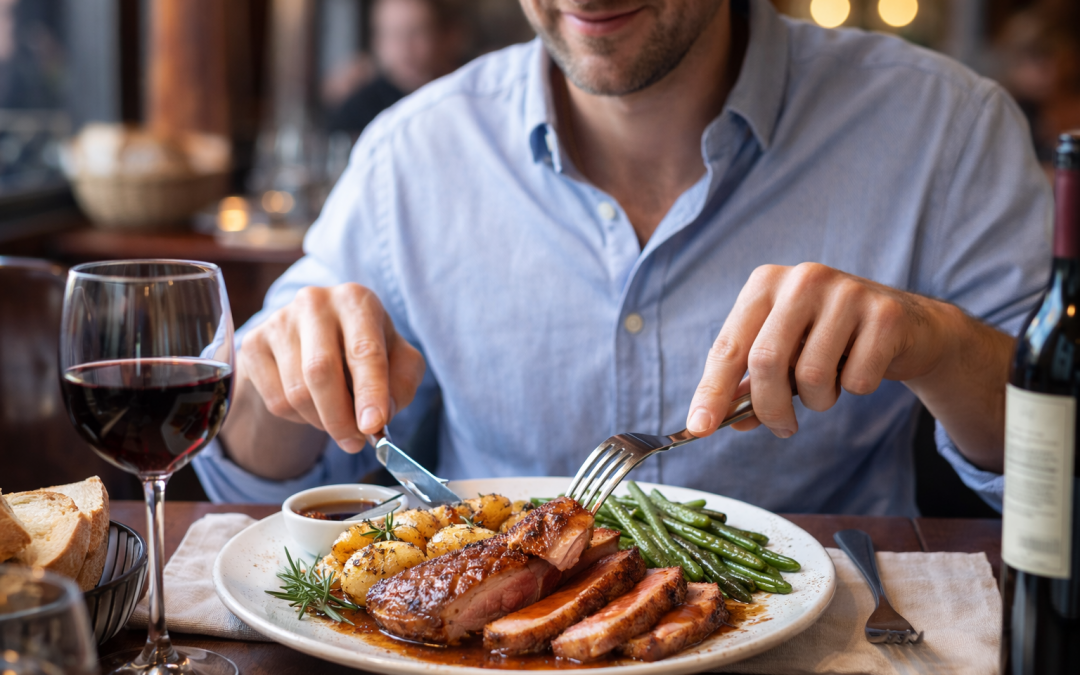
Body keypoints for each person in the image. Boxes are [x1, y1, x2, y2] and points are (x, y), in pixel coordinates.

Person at [194, 0, 1051, 516]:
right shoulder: (410, 157)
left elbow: (1059, 474)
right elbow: (258, 487)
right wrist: (279, 383)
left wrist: (933, 342)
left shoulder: (946, 127)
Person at [325, 0, 465, 136]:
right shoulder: (357, 112)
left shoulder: (466, 99)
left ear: (446, 36)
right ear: (377, 42)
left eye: (417, 32)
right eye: (393, 34)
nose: (405, 47)